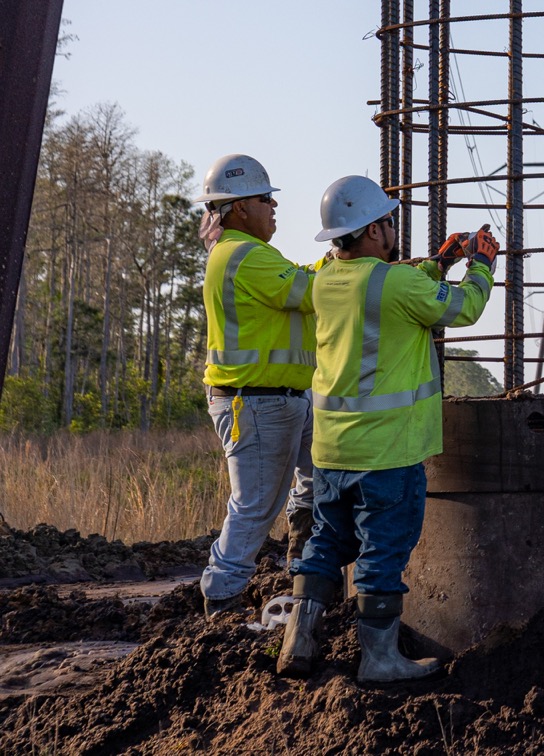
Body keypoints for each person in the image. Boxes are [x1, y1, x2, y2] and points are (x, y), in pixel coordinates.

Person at [276, 175, 496, 683]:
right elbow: (463, 307)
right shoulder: (397, 284)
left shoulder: (323, 280)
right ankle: (379, 659)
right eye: (389, 221)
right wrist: (480, 264)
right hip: (387, 454)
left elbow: (388, 289)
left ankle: (298, 641)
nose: (393, 228)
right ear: (373, 230)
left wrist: (436, 264)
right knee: (381, 553)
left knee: (326, 545)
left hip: (331, 451)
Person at [196, 154, 316, 617]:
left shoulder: (249, 253)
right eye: (267, 199)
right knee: (253, 509)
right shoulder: (243, 255)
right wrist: (354, 264)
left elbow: (301, 281)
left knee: (318, 479)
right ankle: (222, 599)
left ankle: (304, 563)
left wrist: (336, 261)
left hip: (281, 398)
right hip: (258, 402)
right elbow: (310, 292)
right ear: (240, 207)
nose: (274, 208)